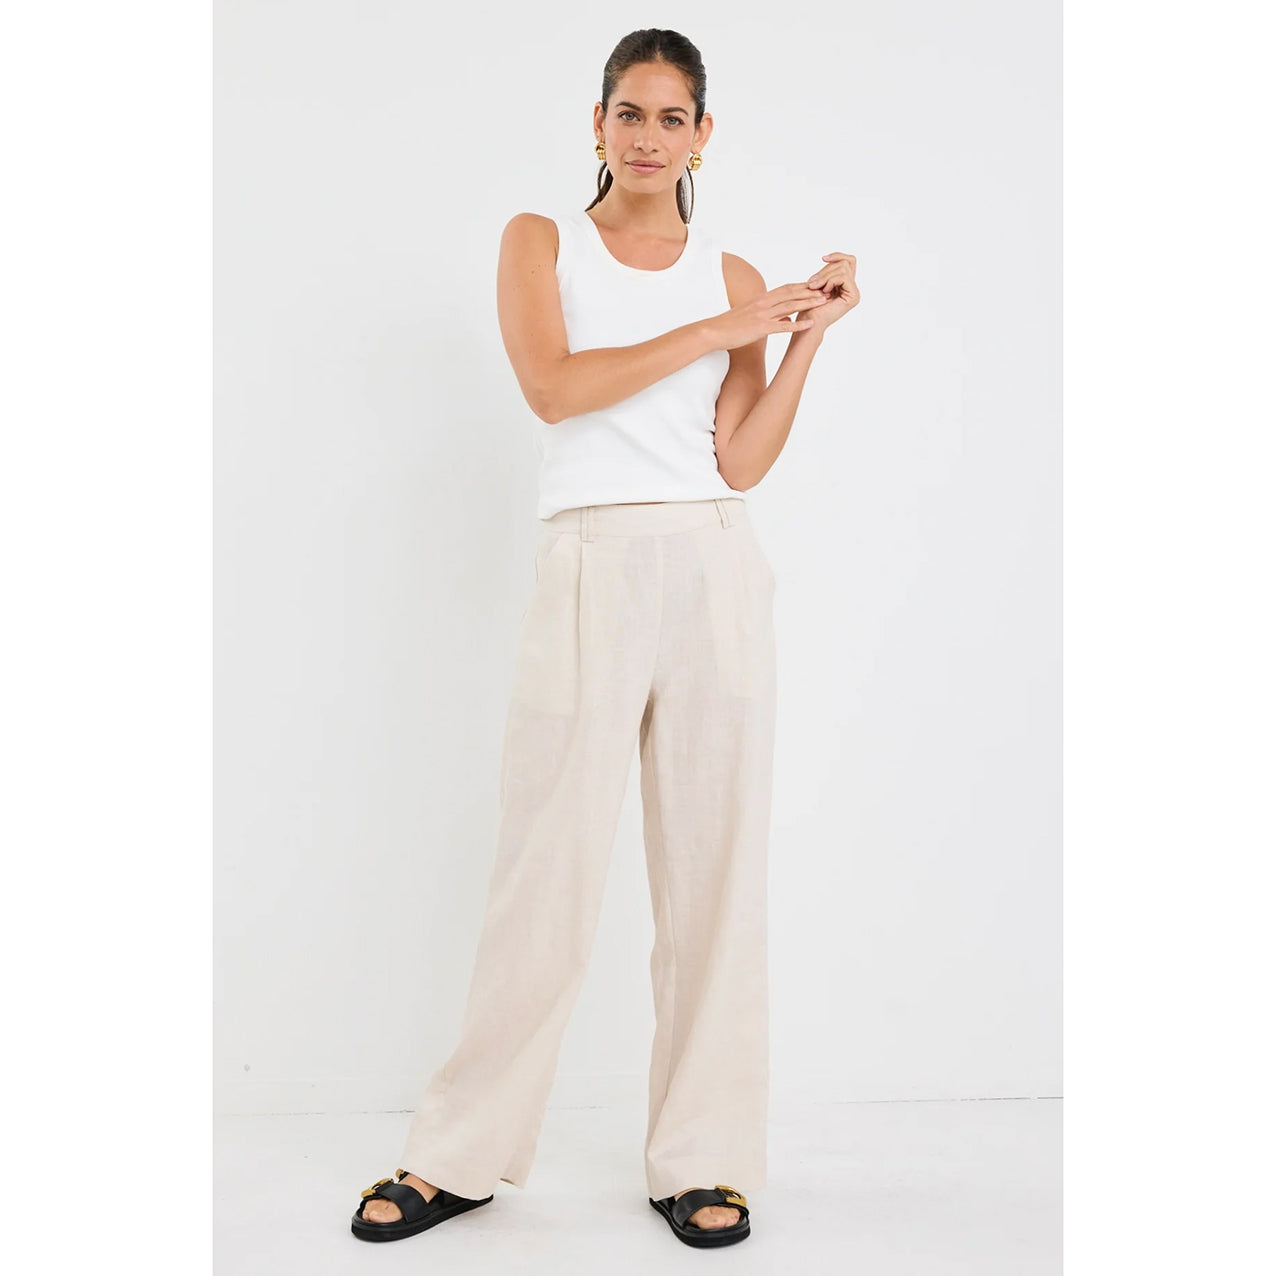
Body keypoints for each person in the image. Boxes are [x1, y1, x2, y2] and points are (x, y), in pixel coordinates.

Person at [350, 27, 858, 1250]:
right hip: (589, 560)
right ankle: (459, 1152)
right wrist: (717, 331)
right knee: (548, 867)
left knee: (715, 876)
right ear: (597, 122)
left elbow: (739, 457)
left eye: (672, 116)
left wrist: (801, 336)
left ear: (702, 134)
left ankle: (705, 1157)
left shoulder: (733, 275)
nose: (647, 135)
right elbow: (555, 387)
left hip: (712, 564)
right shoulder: (543, 241)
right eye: (629, 112)